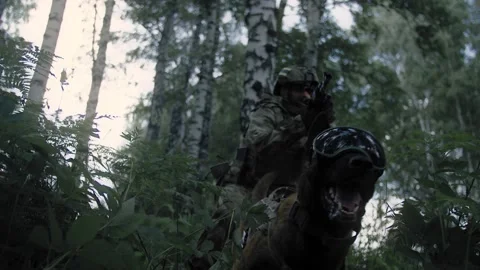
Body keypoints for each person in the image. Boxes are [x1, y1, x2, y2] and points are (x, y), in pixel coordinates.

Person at [188, 66, 335, 270]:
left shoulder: (313, 118)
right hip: (248, 185)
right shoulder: (267, 111)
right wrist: (301, 123)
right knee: (226, 215)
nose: (306, 95)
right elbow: (259, 144)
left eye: (310, 90)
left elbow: (327, 157)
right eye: (301, 89)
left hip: (290, 192)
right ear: (284, 90)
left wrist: (323, 121)